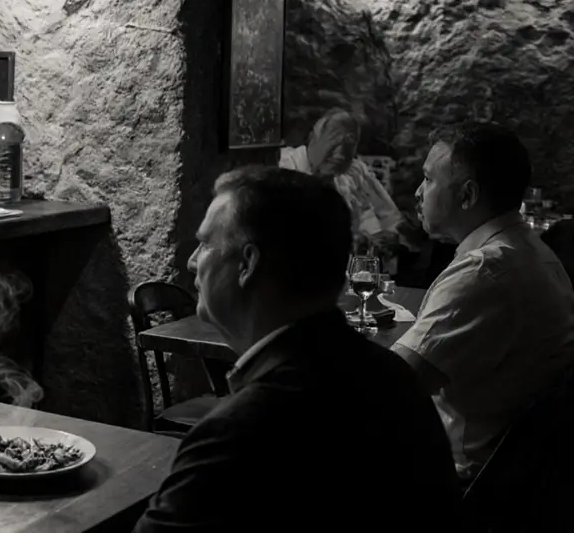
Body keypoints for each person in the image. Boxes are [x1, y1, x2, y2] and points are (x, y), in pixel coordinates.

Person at [133, 166, 461, 532]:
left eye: (206, 243)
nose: (193, 261)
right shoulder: (393, 375)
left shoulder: (238, 434)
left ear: (247, 264)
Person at [393, 122, 574, 480]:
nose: (417, 192)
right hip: (524, 479)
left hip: (464, 483)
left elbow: (389, 386)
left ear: (467, 195)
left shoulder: (484, 272)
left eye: (428, 180)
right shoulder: (534, 252)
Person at [280, 109, 405, 251]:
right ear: (312, 138)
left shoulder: (355, 171)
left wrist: (386, 237)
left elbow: (391, 218)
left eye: (349, 145)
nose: (340, 155)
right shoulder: (283, 169)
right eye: (334, 142)